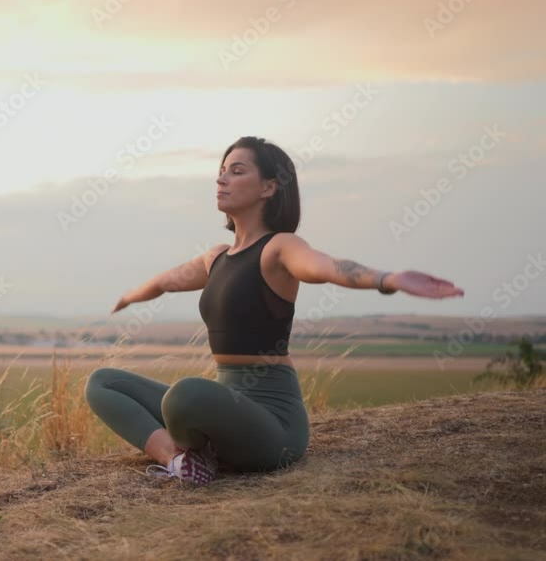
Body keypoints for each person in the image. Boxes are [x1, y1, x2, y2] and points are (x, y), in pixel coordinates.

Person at [84, 136, 465, 485]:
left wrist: (388, 279)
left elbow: (327, 266)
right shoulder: (216, 256)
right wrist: (130, 297)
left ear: (269, 187)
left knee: (184, 396)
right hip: (225, 402)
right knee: (103, 382)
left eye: (237, 171)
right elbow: (167, 280)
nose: (222, 180)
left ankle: (197, 451)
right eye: (221, 171)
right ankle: (179, 461)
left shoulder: (279, 248)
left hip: (273, 424)